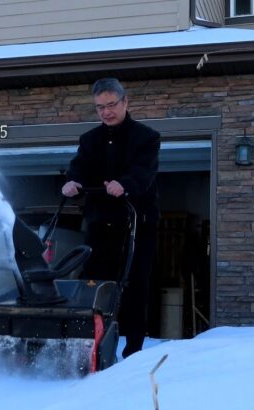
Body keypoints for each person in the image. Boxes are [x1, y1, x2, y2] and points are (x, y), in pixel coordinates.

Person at [61, 78, 160, 358]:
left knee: (134, 285)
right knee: (95, 283)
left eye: (111, 105)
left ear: (125, 102)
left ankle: (133, 350)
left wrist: (124, 184)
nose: (106, 112)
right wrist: (72, 182)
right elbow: (79, 167)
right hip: (100, 224)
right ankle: (94, 346)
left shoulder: (146, 137)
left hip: (136, 224)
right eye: (100, 107)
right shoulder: (90, 140)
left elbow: (144, 172)